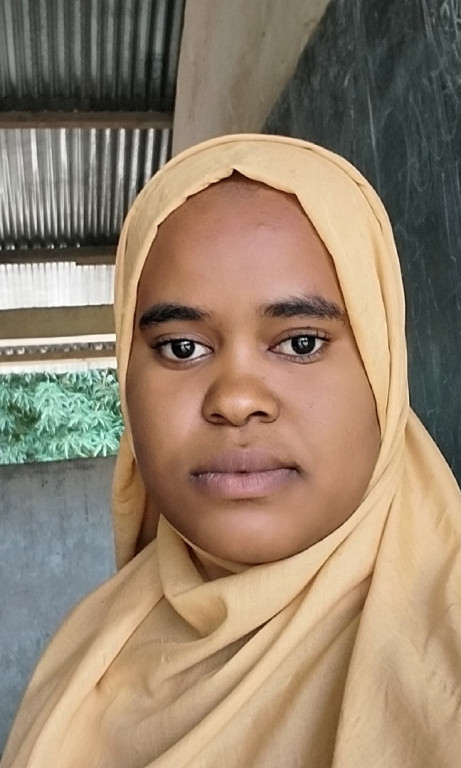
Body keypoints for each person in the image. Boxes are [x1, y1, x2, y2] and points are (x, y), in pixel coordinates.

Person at [2, 134, 461, 768]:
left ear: (384, 367)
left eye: (301, 343)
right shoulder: (85, 657)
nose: (237, 400)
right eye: (181, 347)